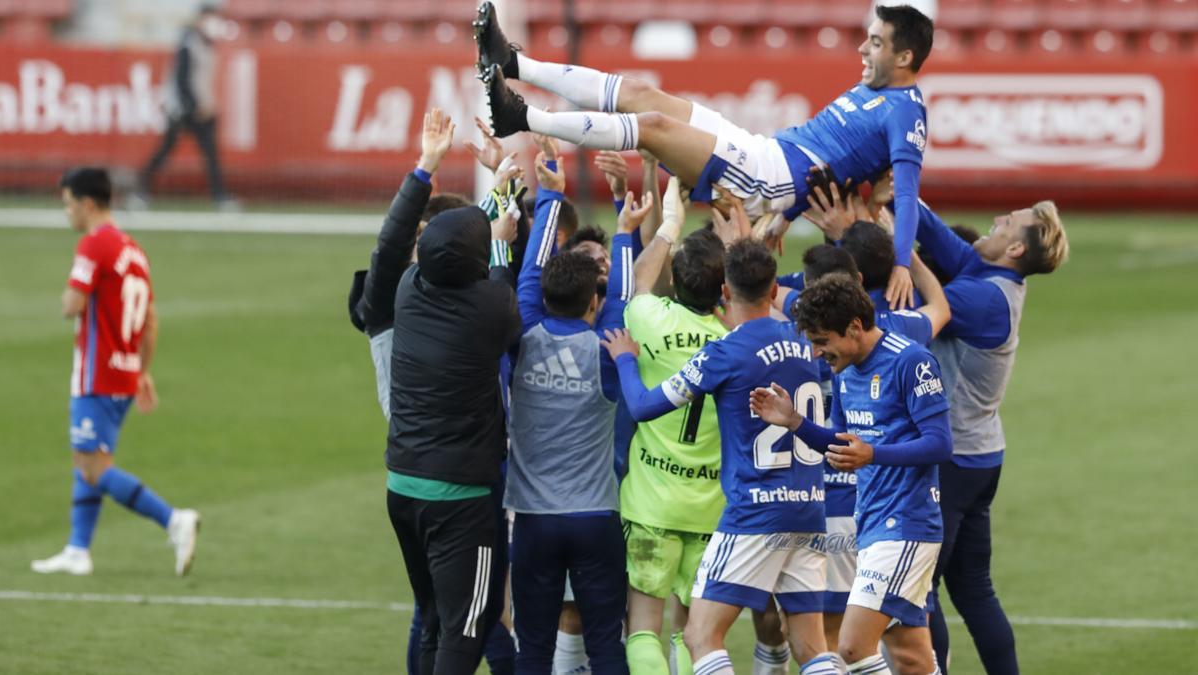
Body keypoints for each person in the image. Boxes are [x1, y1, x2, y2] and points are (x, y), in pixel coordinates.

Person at [475, 1, 935, 308]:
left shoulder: (906, 115)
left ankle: (525, 117)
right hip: (765, 154)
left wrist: (899, 263)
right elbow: (837, 164)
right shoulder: (873, 87)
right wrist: (784, 219)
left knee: (652, 129)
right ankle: (514, 63)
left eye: (876, 42)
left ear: (904, 57)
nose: (862, 47)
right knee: (640, 93)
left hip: (767, 178)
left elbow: (906, 194)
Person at [603, 240, 845, 675]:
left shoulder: (725, 352)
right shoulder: (803, 343)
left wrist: (624, 360)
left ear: (725, 293)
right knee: (811, 646)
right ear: (775, 292)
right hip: (809, 507)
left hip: (754, 513)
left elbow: (641, 406)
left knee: (699, 636)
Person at [347, 109, 519, 675]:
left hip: (404, 481)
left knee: (434, 618)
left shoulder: (402, 292)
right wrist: (504, 191)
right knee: (469, 626)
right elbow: (505, 275)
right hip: (460, 496)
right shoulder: (489, 309)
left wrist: (426, 165)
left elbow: (390, 245)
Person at [752, 274, 953, 675]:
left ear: (855, 327)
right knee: (912, 658)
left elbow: (940, 444)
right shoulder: (844, 374)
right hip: (873, 523)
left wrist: (873, 453)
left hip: (907, 525)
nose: (815, 351)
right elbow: (842, 447)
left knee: (852, 646)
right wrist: (795, 423)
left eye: (822, 340)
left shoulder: (910, 361)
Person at [505, 149, 650, 674]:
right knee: (608, 646)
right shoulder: (607, 349)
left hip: (534, 521)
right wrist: (626, 235)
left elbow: (530, 270)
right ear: (595, 299)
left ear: (542, 297)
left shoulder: (522, 336)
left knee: (535, 650)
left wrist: (549, 196)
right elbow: (627, 299)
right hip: (595, 518)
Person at [915, 201, 1068, 675]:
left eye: (1004, 224)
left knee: (919, 590)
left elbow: (925, 304)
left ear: (1016, 247)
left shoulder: (983, 299)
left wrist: (896, 249)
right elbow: (936, 232)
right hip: (981, 455)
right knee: (974, 589)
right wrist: (899, 196)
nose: (994, 222)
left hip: (953, 459)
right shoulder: (992, 278)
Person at [32, 167, 200, 577]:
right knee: (87, 458)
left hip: (97, 376)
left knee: (93, 466)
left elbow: (72, 305)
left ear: (88, 204)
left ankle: (174, 520)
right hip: (124, 373)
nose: (67, 212)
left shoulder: (94, 245)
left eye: (69, 204)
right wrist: (142, 370)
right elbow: (152, 319)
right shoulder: (133, 250)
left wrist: (66, 299)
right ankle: (77, 550)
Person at [611, 178, 730, 675]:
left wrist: (670, 226)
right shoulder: (731, 339)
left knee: (642, 630)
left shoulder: (649, 317)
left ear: (675, 283)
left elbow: (638, 281)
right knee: (691, 633)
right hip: (708, 507)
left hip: (651, 504)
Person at [135, 2, 237, 209]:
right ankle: (140, 189)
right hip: (184, 109)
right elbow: (182, 79)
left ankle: (220, 195)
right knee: (166, 150)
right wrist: (193, 105)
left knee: (210, 153)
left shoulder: (207, 45)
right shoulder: (188, 44)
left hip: (201, 107)